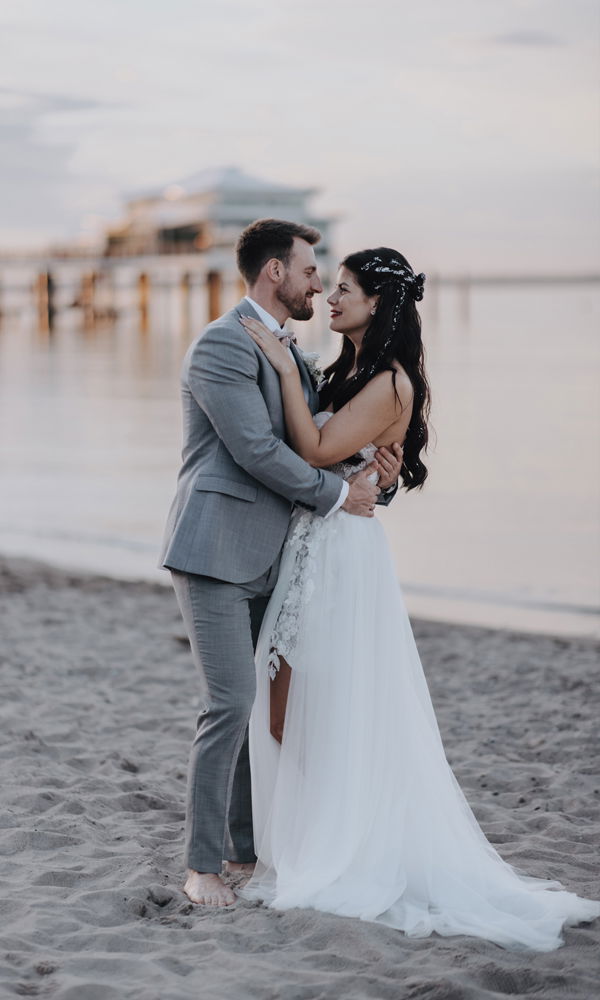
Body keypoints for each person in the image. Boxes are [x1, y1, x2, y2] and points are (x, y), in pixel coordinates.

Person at [237, 246, 600, 951]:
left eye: (345, 290)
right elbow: (349, 454)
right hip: (318, 548)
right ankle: (318, 831)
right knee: (283, 703)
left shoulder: (392, 382)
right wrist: (304, 380)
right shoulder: (350, 369)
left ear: (381, 303)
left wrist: (284, 368)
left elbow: (314, 447)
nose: (332, 299)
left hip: (343, 556)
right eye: (330, 287)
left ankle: (342, 840)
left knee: (311, 701)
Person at [160, 221, 403, 907]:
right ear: (274, 272)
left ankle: (243, 851)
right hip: (213, 549)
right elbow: (257, 451)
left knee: (270, 712)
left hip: (275, 555)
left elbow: (317, 434)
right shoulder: (220, 345)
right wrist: (338, 496)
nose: (318, 282)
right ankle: (201, 867)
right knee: (228, 705)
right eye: (308, 270)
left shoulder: (289, 350)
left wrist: (373, 470)